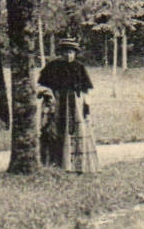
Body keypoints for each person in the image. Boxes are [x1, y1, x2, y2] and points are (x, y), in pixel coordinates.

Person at [37, 38, 99, 172]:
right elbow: (41, 85)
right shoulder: (52, 66)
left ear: (75, 53)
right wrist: (48, 94)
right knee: (54, 130)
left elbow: (86, 89)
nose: (68, 55)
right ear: (60, 52)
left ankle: (76, 165)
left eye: (71, 52)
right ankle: (55, 164)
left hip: (75, 104)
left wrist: (86, 104)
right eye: (65, 52)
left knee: (77, 130)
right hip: (57, 103)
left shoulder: (79, 67)